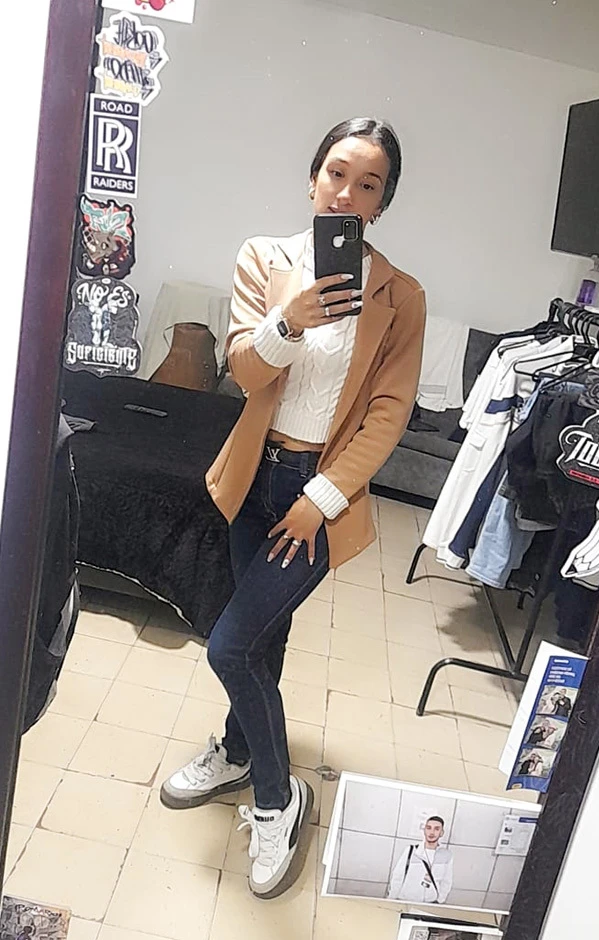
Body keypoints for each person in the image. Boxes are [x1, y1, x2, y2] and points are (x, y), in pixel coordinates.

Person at [160, 118, 426, 900]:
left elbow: (388, 412)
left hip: (317, 493)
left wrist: (321, 498)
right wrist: (290, 319)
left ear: (381, 204)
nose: (347, 192)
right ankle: (239, 752)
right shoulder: (264, 258)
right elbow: (245, 371)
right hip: (254, 478)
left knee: (229, 648)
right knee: (262, 641)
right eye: (336, 173)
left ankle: (279, 801)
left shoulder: (400, 296)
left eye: (368, 184)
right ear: (313, 178)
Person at [388, 816, 453, 904]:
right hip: (407, 901)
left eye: (436, 829)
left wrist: (439, 901)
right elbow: (397, 877)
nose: (432, 832)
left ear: (441, 833)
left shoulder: (446, 855)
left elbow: (446, 881)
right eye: (429, 828)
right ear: (424, 830)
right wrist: (391, 900)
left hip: (430, 903)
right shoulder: (411, 851)